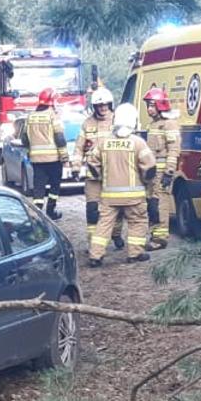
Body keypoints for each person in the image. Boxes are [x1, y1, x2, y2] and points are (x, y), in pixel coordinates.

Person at [87, 103, 154, 267]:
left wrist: (102, 177)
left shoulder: (104, 142)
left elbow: (91, 163)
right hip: (134, 197)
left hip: (109, 196)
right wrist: (146, 182)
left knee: (103, 225)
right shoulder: (138, 143)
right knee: (137, 223)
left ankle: (95, 255)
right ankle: (135, 253)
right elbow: (150, 168)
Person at [141, 86, 180, 250]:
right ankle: (154, 233)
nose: (149, 109)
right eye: (148, 105)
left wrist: (169, 172)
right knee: (152, 204)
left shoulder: (169, 125)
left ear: (160, 105)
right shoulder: (153, 125)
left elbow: (174, 149)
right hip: (152, 172)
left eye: (152, 105)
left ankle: (160, 237)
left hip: (162, 173)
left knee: (160, 204)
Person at [19, 88, 67, 219]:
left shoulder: (30, 117)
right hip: (54, 159)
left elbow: (24, 139)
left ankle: (37, 215)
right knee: (54, 186)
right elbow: (60, 138)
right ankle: (51, 211)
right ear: (52, 102)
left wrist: (30, 151)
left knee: (38, 188)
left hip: (36, 161)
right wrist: (65, 157)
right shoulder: (53, 116)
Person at [79, 86, 115, 247]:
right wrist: (75, 166)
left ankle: (116, 234)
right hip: (93, 175)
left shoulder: (117, 121)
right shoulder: (87, 123)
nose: (103, 108)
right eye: (100, 105)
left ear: (110, 104)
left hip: (114, 173)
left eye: (106, 105)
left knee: (115, 208)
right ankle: (93, 243)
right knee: (92, 209)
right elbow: (79, 147)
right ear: (94, 107)